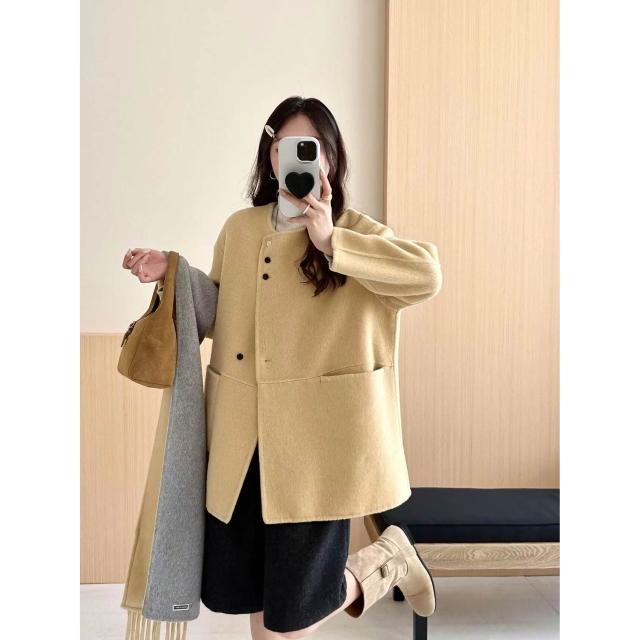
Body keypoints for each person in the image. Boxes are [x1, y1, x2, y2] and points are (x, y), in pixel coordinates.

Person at [122, 96, 439, 639]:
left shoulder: (356, 232)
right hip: (242, 444)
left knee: (290, 622)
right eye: (284, 148)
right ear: (270, 158)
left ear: (331, 159)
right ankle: (384, 560)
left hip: (316, 455)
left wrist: (331, 241)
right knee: (263, 608)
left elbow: (426, 277)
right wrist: (172, 272)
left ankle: (379, 565)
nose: (296, 159)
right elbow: (223, 313)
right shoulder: (240, 229)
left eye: (310, 149)